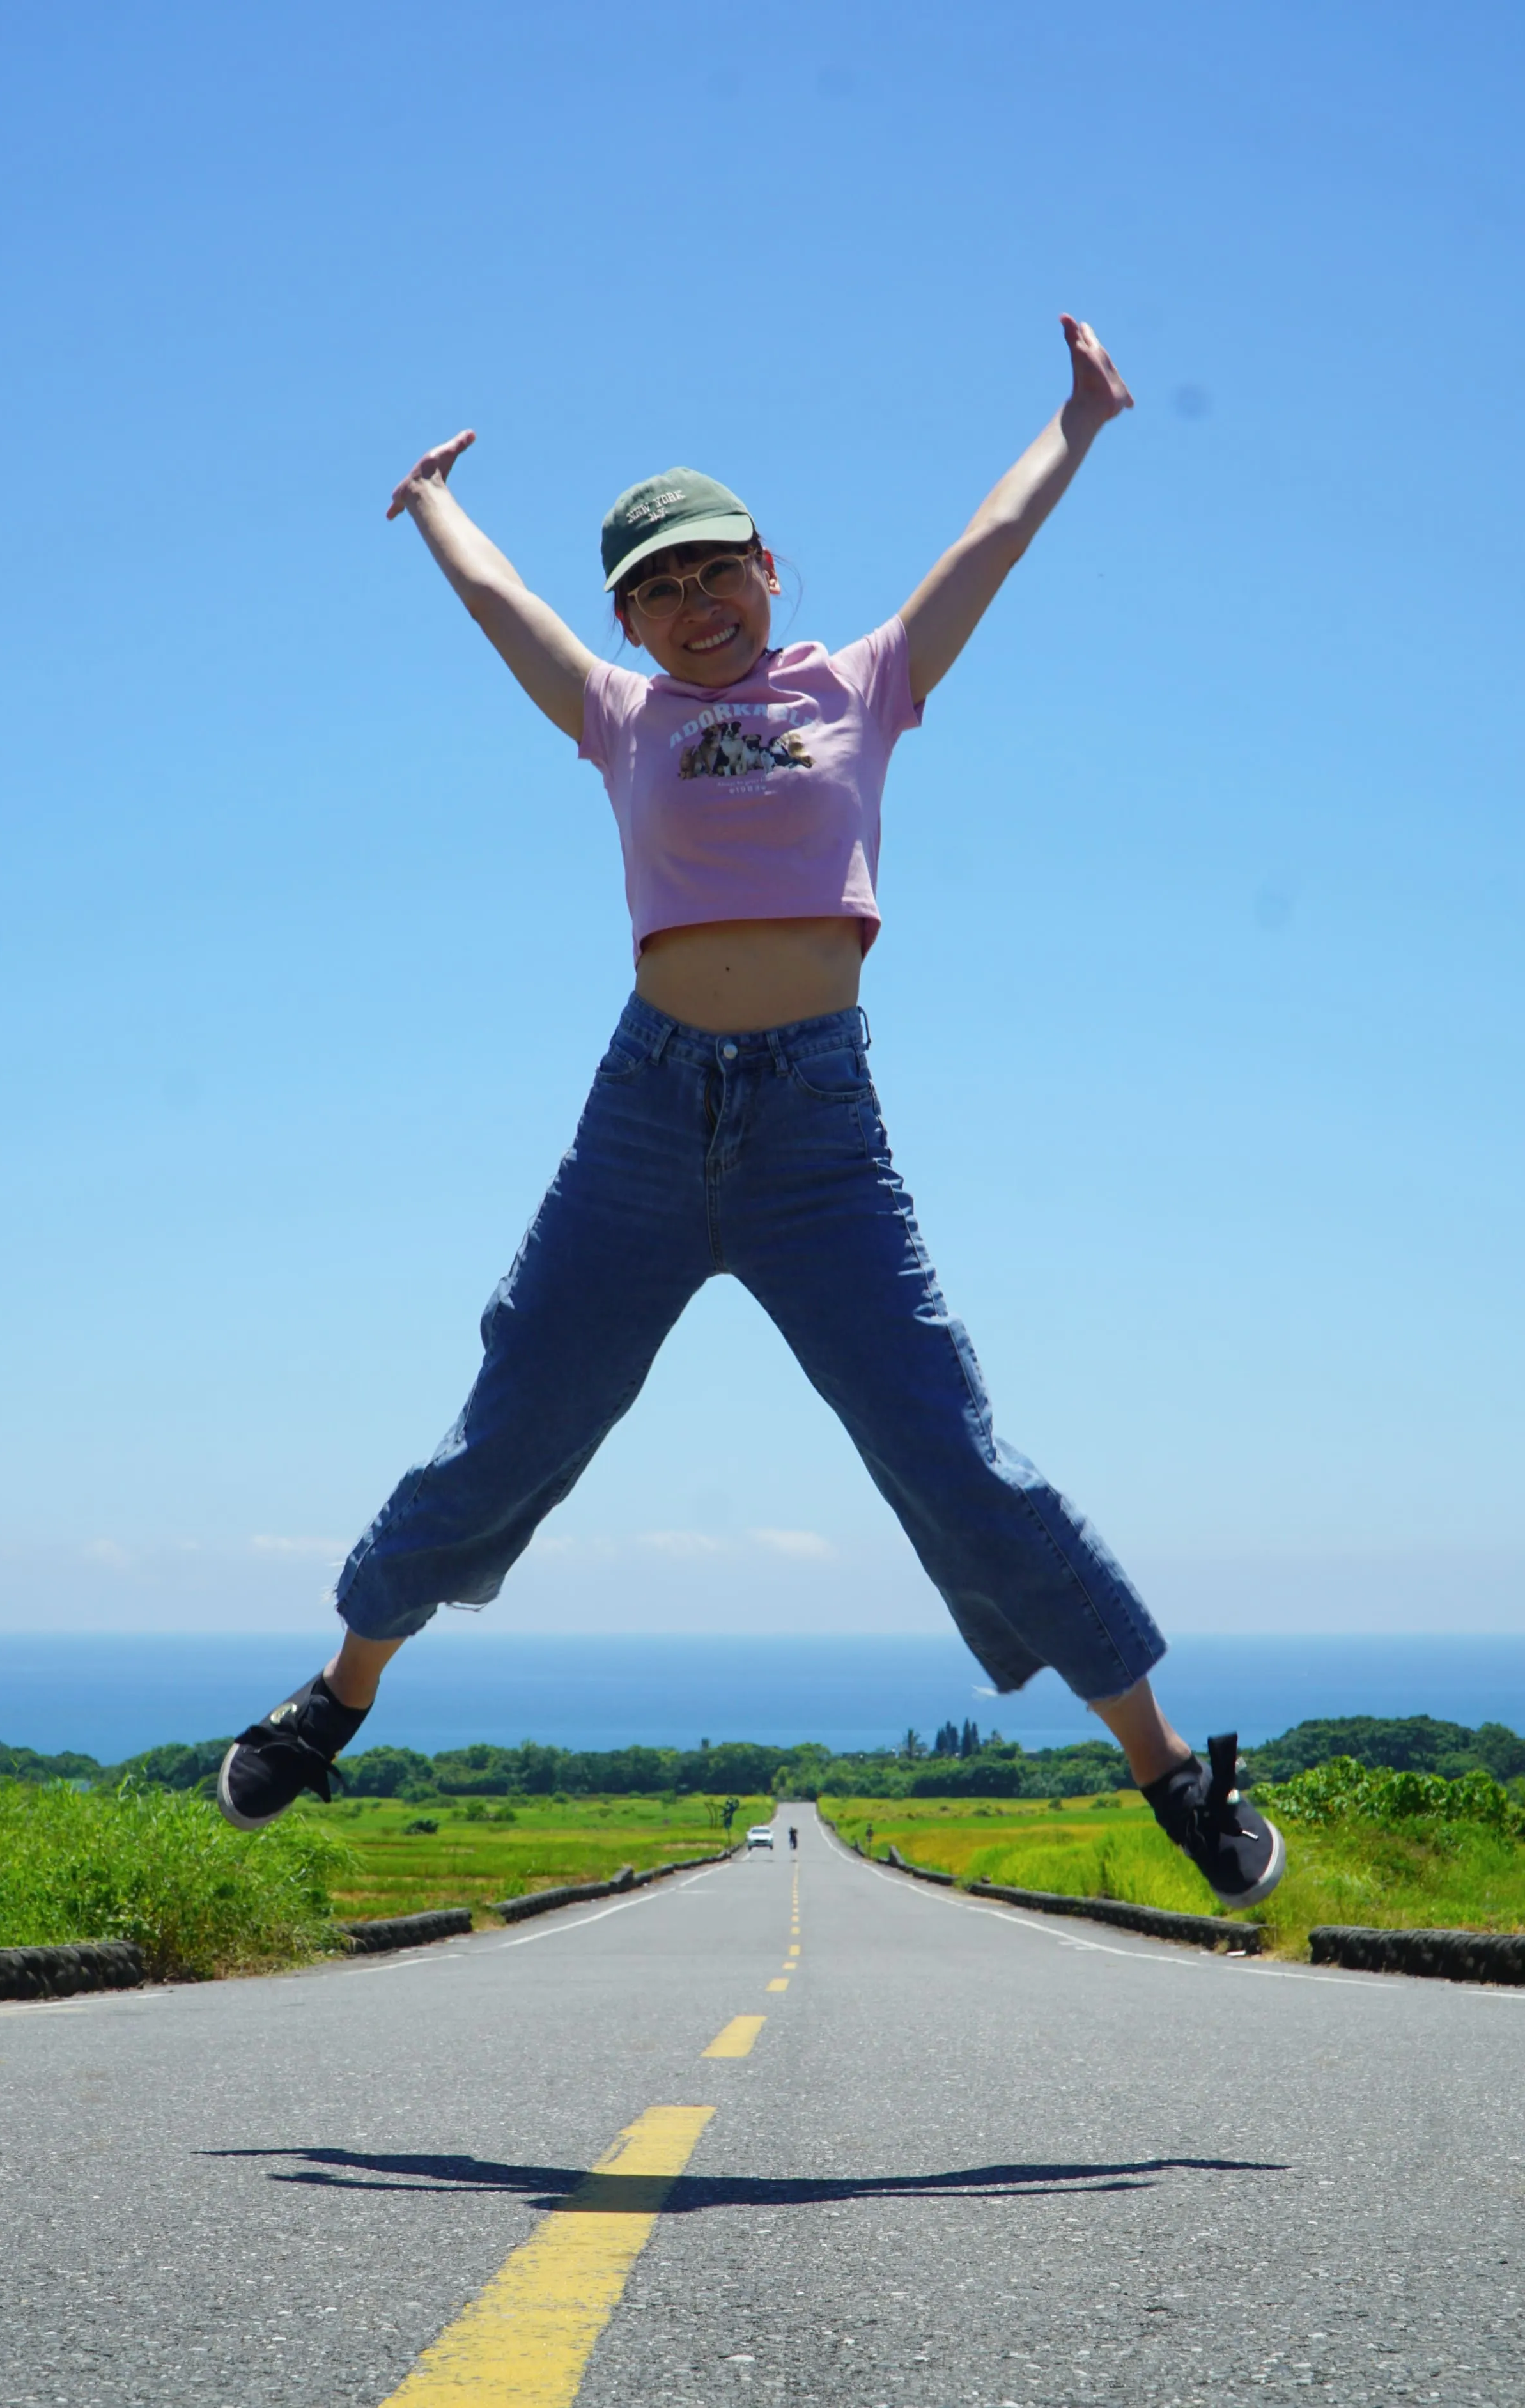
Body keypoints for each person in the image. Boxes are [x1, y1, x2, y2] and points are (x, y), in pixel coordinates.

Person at [217, 317, 1284, 1911]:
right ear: (628, 621)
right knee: (514, 1419)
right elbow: (503, 607)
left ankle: (1171, 1770)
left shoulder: (863, 683)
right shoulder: (618, 716)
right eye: (656, 588)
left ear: (770, 570)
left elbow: (987, 544)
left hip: (815, 1134)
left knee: (952, 1450)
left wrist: (1078, 421)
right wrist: (432, 503)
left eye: (716, 569)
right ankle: (336, 1696)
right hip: (645, 1114)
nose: (694, 602)